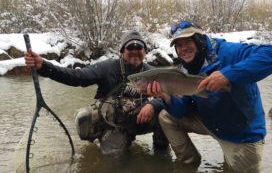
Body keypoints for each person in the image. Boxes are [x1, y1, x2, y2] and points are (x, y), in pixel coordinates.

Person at [147, 20, 272, 173]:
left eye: (188, 41)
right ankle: (189, 165)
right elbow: (181, 111)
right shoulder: (183, 70)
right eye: (178, 45)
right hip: (211, 123)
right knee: (166, 116)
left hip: (242, 133)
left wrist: (228, 75)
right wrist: (167, 98)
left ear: (199, 40)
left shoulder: (228, 52)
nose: (183, 48)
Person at [24, 30, 169, 155]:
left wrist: (154, 105)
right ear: (122, 51)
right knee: (115, 165)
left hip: (139, 119)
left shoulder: (152, 72)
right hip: (114, 125)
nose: (135, 50)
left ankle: (160, 158)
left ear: (145, 51)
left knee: (166, 115)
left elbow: (171, 96)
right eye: (130, 46)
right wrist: (43, 66)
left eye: (139, 47)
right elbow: (76, 77)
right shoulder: (107, 68)